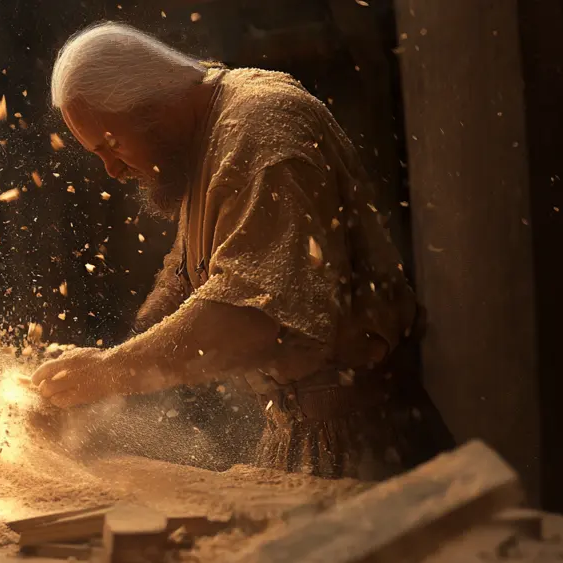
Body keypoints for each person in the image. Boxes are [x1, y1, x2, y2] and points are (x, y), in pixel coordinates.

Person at [31, 22, 449, 480]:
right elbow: (188, 283)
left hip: (363, 442)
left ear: (154, 102)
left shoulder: (259, 124)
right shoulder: (210, 135)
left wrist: (109, 371)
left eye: (111, 145)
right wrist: (89, 373)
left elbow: (251, 316)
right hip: (302, 430)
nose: (112, 170)